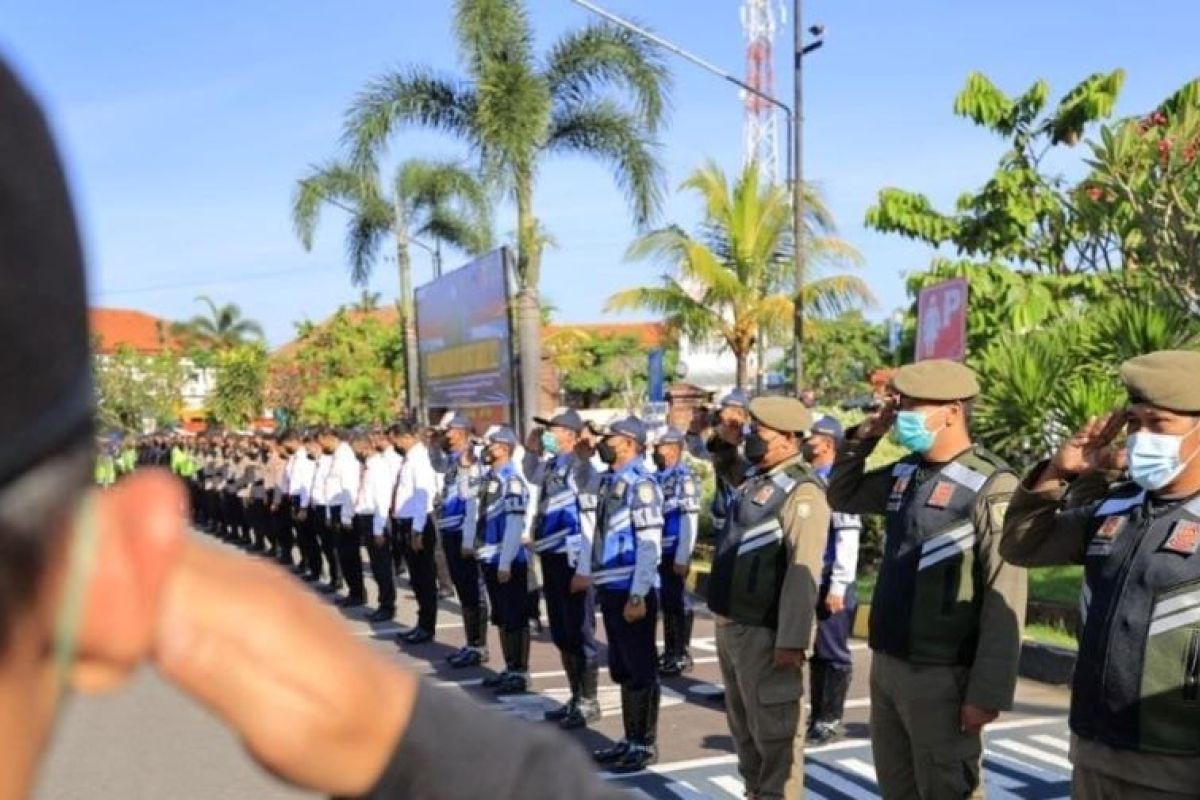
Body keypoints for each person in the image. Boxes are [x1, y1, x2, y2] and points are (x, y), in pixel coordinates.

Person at [0, 58, 637, 800]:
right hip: (430, 544)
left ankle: (553, 681)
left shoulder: (519, 469)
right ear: (115, 571)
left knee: (540, 624)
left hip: (536, 554)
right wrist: (408, 744)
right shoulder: (430, 468)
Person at [1000, 350, 1200, 799]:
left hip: (1178, 767)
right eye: (1134, 423)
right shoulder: (1117, 506)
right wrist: (1058, 473)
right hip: (1094, 753)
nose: (1141, 437)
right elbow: (1022, 545)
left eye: (1158, 423)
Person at [827, 360, 1028, 799]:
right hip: (890, 664)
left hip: (944, 673)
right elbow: (842, 494)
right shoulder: (907, 472)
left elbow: (1004, 593)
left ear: (953, 411)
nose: (903, 416)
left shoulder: (991, 484)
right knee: (898, 787)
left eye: (914, 407)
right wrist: (867, 436)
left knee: (946, 788)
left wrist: (987, 690)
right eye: (901, 406)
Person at [705, 396, 828, 800]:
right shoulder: (760, 478)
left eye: (759, 433)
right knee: (745, 731)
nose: (752, 440)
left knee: (775, 738)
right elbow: (726, 465)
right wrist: (725, 439)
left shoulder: (803, 490)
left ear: (789, 438)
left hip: (766, 631)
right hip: (733, 624)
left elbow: (802, 572)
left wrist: (793, 640)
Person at [588, 416, 664, 773]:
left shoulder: (642, 484)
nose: (605, 441)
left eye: (611, 437)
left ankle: (644, 743)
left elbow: (649, 544)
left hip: (632, 588)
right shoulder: (609, 481)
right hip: (611, 585)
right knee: (622, 666)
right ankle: (629, 738)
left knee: (640, 668)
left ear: (631, 443)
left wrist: (639, 594)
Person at [530, 409, 601, 729]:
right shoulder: (551, 464)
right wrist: (532, 449)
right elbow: (529, 475)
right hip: (552, 555)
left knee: (580, 631)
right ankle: (575, 696)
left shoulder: (582, 467)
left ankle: (588, 700)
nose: (547, 433)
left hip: (574, 559)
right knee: (561, 631)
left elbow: (589, 520)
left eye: (553, 429)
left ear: (571, 436)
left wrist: (585, 568)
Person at [802, 416, 862, 747]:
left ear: (827, 443)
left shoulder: (837, 482)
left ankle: (830, 718)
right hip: (813, 578)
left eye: (814, 437)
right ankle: (817, 713)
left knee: (833, 651)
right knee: (818, 652)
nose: (808, 441)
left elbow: (847, 537)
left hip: (832, 580)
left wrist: (839, 584)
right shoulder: (811, 479)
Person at [474, 426, 533, 695]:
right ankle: (510, 667)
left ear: (505, 448)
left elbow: (514, 524)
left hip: (507, 559)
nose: (487, 449)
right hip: (490, 554)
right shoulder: (489, 477)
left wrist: (506, 562)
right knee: (501, 617)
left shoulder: (513, 480)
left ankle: (520, 672)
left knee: (515, 617)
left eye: (492, 445)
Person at [435, 413, 489, 667]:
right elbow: (435, 465)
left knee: (473, 590)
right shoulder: (451, 458)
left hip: (464, 530)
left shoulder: (475, 456)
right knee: (463, 591)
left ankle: (478, 645)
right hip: (449, 529)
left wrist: (470, 538)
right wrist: (433, 442)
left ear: (463, 430)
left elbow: (474, 499)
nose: (446, 435)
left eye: (450, 430)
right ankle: (471, 642)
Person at [652, 428, 700, 677]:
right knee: (667, 602)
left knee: (677, 601)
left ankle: (680, 652)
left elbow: (689, 519)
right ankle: (670, 650)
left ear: (673, 448)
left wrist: (683, 555)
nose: (655, 450)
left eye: (660, 445)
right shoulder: (657, 476)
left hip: (675, 549)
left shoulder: (684, 478)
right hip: (660, 549)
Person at [389, 421, 440, 644]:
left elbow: (423, 496)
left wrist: (417, 530)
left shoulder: (420, 459)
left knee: (424, 578)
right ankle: (421, 624)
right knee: (417, 579)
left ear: (408, 436)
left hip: (417, 523)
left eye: (398, 440)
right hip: (407, 522)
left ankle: (427, 626)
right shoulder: (410, 459)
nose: (396, 444)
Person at [708, 389, 752, 543]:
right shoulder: (718, 442)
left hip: (743, 522)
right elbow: (701, 451)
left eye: (727, 418)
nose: (722, 422)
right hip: (722, 519)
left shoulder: (751, 442)